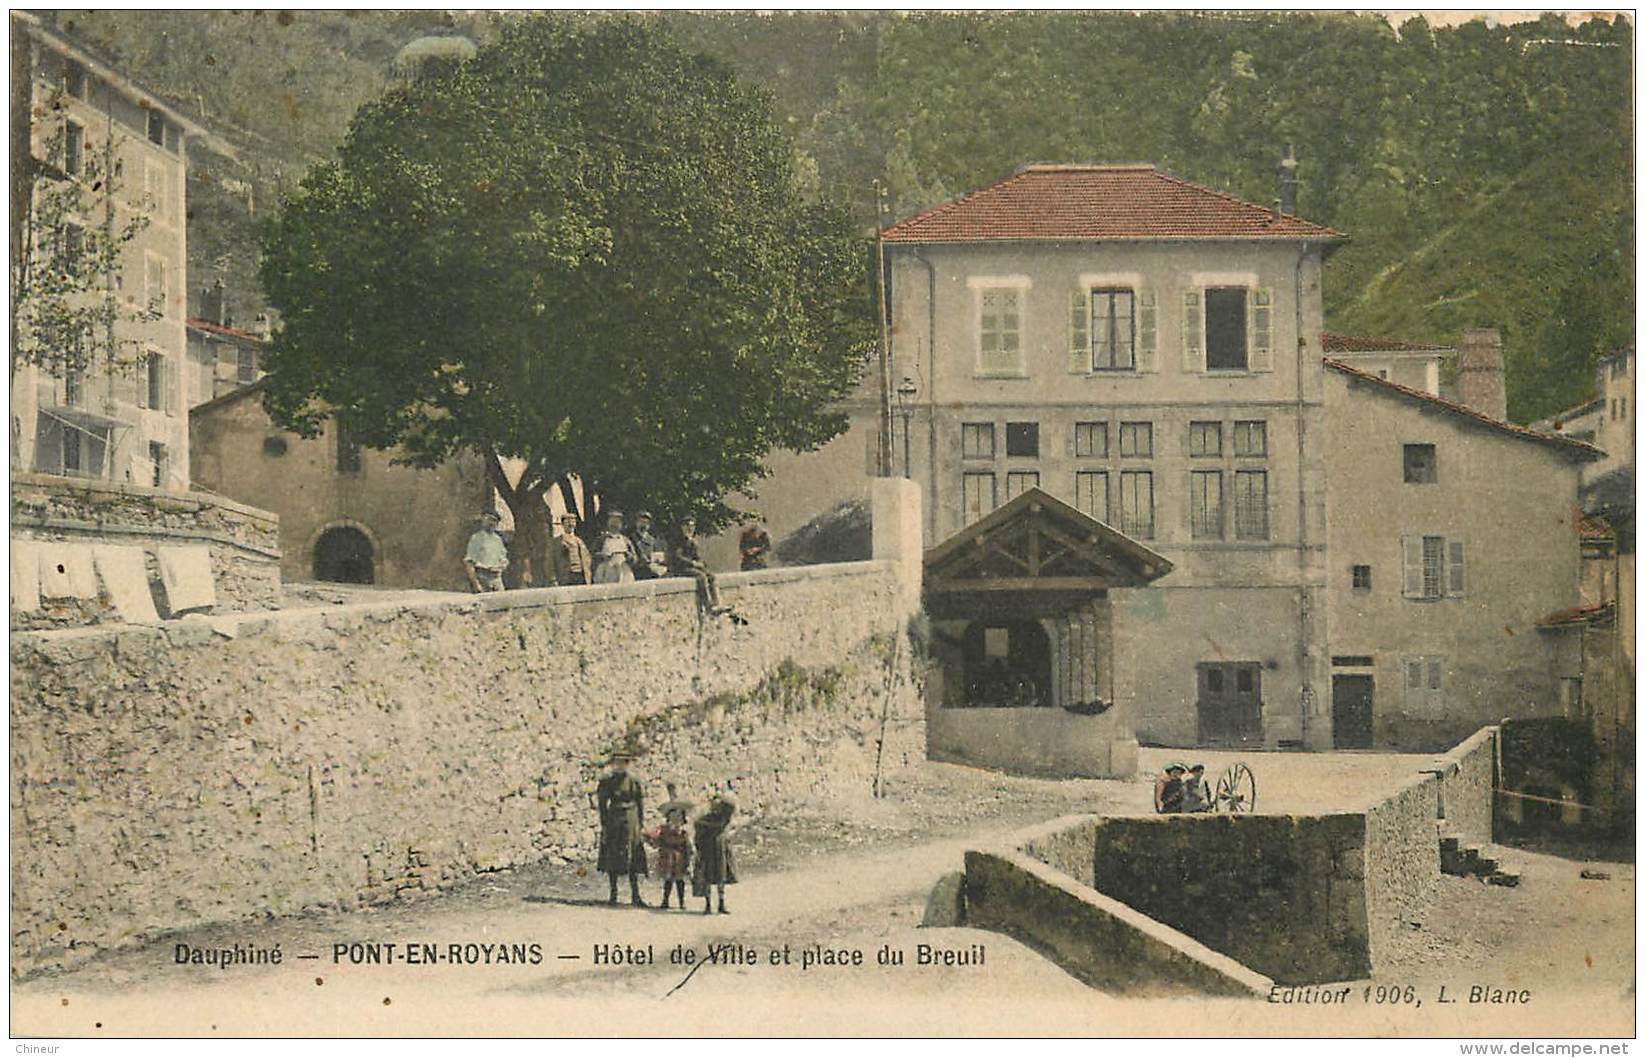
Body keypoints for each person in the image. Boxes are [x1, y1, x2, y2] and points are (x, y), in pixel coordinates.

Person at [595, 747, 648, 906]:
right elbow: (602, 804)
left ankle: (636, 895)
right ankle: (613, 894)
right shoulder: (607, 782)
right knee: (613, 856)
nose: (620, 766)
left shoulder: (634, 782)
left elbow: (640, 804)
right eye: (617, 763)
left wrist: (640, 824)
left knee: (633, 856)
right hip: (614, 820)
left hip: (631, 820)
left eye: (624, 763)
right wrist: (604, 824)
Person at [643, 783, 693, 909]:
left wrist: (689, 851)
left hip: (679, 855)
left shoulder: (683, 830)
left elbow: (688, 843)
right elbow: (657, 837)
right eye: (672, 817)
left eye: (678, 817)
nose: (675, 819)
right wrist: (647, 835)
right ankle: (665, 900)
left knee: (680, 879)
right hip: (668, 854)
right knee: (668, 879)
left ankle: (682, 902)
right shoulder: (665, 829)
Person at [671, 517, 731, 616]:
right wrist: (693, 563)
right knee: (701, 577)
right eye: (687, 526)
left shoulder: (693, 541)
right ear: (682, 527)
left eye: (692, 526)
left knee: (711, 576)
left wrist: (701, 563)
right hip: (679, 568)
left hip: (690, 567)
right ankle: (708, 605)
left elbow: (697, 556)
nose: (690, 529)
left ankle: (717, 602)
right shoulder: (677, 541)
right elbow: (678, 557)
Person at [691, 791, 737, 915]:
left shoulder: (723, 818)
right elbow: (698, 834)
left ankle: (721, 903)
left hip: (720, 849)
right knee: (707, 876)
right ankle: (708, 904)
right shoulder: (705, 818)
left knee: (721, 876)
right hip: (708, 850)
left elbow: (722, 823)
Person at [463, 511, 508, 593]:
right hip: (482, 577)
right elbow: (469, 563)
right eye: (488, 520)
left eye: (494, 520)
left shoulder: (498, 540)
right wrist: (476, 584)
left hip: (496, 578)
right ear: (483, 521)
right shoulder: (476, 538)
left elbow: (503, 558)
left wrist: (501, 566)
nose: (491, 523)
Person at [593, 510, 636, 585]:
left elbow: (634, 558)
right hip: (606, 570)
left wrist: (629, 556)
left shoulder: (626, 540)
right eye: (612, 522)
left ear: (621, 525)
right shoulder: (601, 539)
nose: (614, 525)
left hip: (623, 569)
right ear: (608, 523)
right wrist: (602, 556)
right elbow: (592, 555)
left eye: (617, 522)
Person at [552, 513, 592, 586]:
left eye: (573, 522)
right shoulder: (557, 542)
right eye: (568, 522)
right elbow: (552, 561)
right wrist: (554, 578)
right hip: (566, 576)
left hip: (580, 575)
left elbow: (587, 559)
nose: (571, 525)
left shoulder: (579, 541)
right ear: (563, 524)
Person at [628, 511, 669, 581]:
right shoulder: (630, 538)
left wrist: (658, 560)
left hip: (653, 569)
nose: (643, 525)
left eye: (646, 523)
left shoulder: (652, 540)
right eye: (641, 522)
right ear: (636, 523)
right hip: (638, 571)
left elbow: (658, 555)